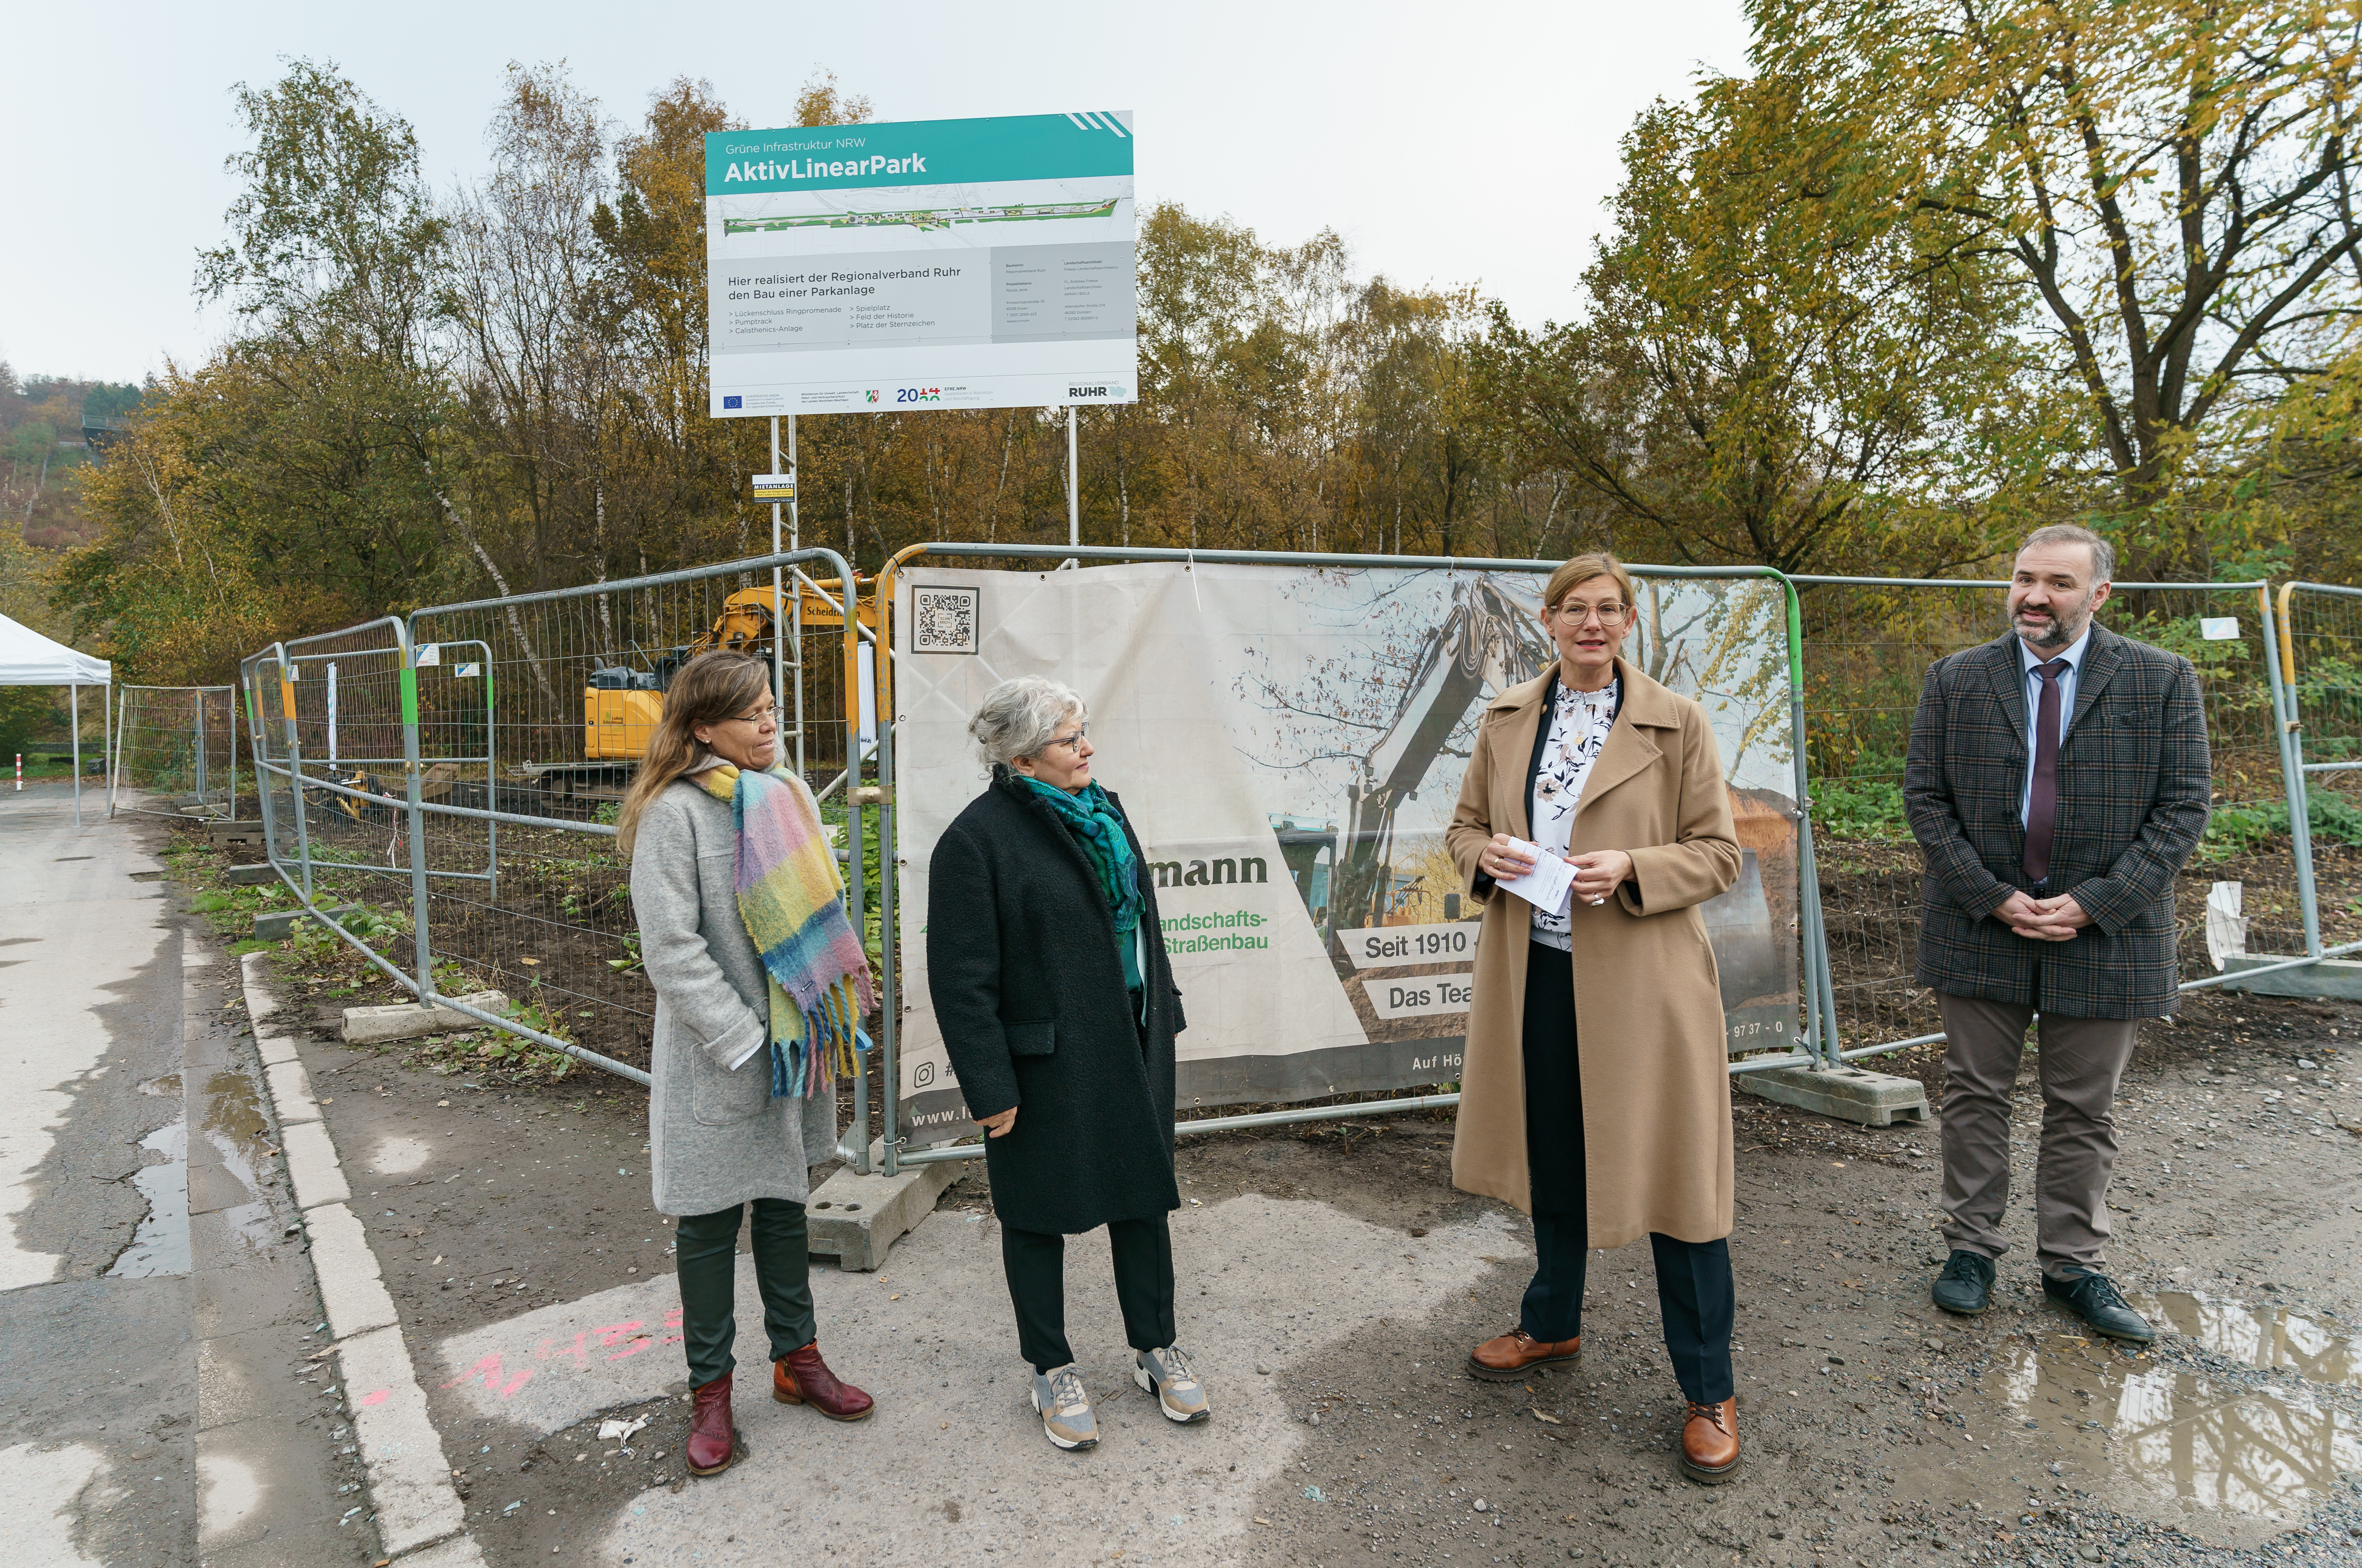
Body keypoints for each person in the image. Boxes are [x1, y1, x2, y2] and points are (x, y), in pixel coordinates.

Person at [1445, 552, 1748, 1485]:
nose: (1589, 623)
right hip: (1534, 977)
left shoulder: (1677, 722)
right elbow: (1458, 829)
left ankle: (1708, 1388)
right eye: (1572, 608)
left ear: (1627, 621)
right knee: (1555, 1157)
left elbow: (1719, 854)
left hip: (1645, 993)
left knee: (1676, 1183)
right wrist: (1484, 856)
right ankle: (1551, 1322)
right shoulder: (1504, 721)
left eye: (1606, 609)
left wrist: (1632, 869)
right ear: (1547, 620)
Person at [1903, 524, 2209, 1342]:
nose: (2034, 596)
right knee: (1975, 1096)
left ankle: (2073, 1265)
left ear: (2099, 594)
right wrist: (1992, 895)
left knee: (2084, 1107)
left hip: (2108, 932)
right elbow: (1926, 801)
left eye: (2059, 584)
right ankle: (1971, 1251)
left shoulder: (2162, 679)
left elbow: (2183, 810)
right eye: (2024, 578)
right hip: (1982, 924)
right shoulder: (1957, 679)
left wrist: (2099, 901)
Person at [618, 651, 877, 1478]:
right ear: (702, 729)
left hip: (794, 1041)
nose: (771, 725)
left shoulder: (785, 795)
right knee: (705, 1221)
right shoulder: (674, 814)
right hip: (724, 1053)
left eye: (773, 710)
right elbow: (671, 948)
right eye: (753, 715)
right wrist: (740, 1036)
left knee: (782, 1203)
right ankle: (711, 1391)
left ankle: (797, 1361)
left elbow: (819, 907)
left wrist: (803, 1013)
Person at [927, 676, 1201, 1451]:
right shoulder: (974, 841)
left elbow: (1142, 924)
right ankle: (1050, 1366)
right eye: (1070, 738)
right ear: (1020, 757)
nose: (1088, 748)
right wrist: (988, 1084)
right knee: (1037, 1211)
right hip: (1044, 1062)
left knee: (1143, 1199)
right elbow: (960, 979)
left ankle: (1155, 1348)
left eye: (1085, 731)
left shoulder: (1105, 812)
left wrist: (1163, 1014)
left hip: (1132, 1039)